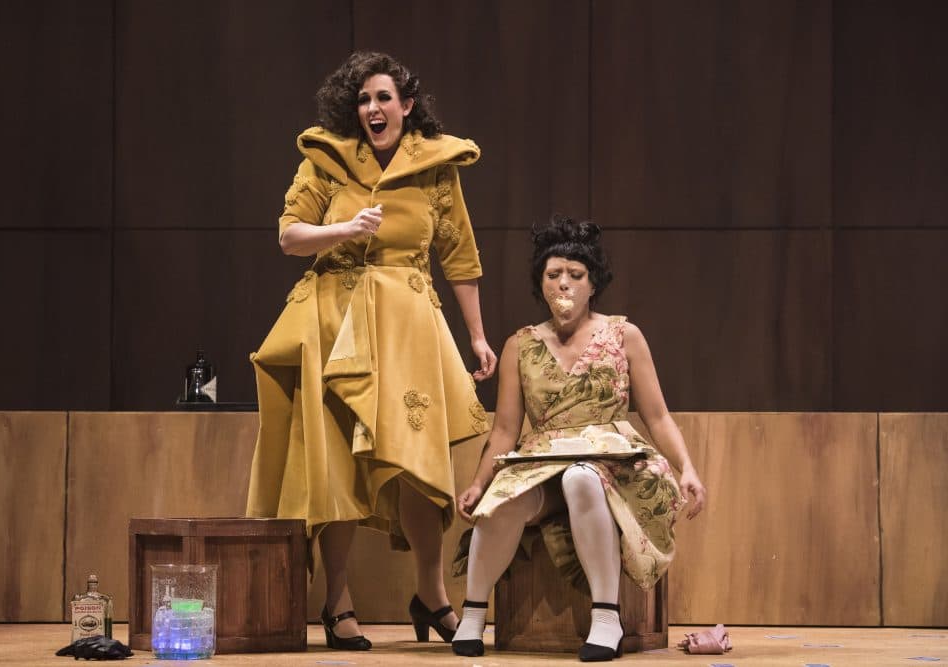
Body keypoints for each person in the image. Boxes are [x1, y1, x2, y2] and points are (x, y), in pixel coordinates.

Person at [245, 51, 497, 651]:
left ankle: (432, 594)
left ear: (407, 105)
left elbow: (460, 257)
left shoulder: (436, 166)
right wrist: (345, 230)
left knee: (417, 463)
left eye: (383, 98)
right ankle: (337, 600)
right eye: (362, 100)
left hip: (408, 323)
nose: (372, 109)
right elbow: (288, 234)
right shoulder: (327, 158)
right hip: (334, 322)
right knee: (338, 462)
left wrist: (478, 337)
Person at [451, 216, 706, 662]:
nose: (564, 284)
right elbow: (506, 430)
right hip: (541, 458)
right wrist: (478, 482)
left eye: (575, 275)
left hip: (611, 463)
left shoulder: (624, 335)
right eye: (553, 275)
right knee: (502, 498)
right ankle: (473, 614)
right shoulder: (520, 344)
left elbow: (658, 415)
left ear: (593, 284)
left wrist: (687, 468)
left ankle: (606, 617)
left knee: (581, 479)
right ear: (541, 284)